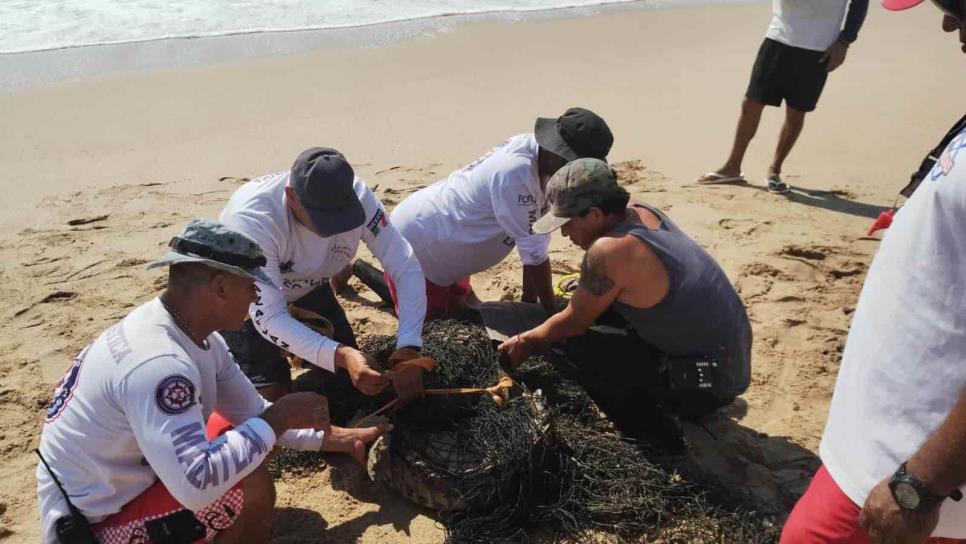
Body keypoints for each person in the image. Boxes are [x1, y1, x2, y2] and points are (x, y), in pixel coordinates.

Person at [36, 219, 387, 544]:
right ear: (220, 286)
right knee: (244, 479)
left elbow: (250, 411)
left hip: (124, 481)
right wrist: (279, 417)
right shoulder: (161, 365)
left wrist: (344, 440)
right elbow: (197, 485)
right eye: (251, 286)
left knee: (233, 431)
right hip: (90, 526)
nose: (255, 298)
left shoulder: (190, 333)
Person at [780, 2, 966, 542]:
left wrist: (920, 486)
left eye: (956, 4)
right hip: (887, 449)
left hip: (915, 474)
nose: (949, 23)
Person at [499, 158, 752, 452]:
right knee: (597, 312)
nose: (565, 234)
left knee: (576, 348)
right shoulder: (641, 213)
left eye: (567, 223)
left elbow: (573, 322)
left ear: (594, 214)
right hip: (730, 363)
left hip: (707, 386)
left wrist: (528, 339)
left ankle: (653, 436)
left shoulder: (609, 251)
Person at [219, 147, 428, 402]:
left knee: (348, 387)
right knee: (269, 405)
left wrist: (408, 347)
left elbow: (404, 264)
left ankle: (305, 358)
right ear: (291, 196)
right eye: (324, 220)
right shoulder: (253, 219)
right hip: (244, 300)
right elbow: (269, 314)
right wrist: (342, 354)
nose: (333, 229)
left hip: (310, 284)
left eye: (342, 218)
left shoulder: (359, 196)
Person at [386, 107, 614, 320]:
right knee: (432, 324)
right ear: (558, 153)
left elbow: (534, 234)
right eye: (575, 164)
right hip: (425, 246)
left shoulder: (542, 159)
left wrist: (529, 303)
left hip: (453, 241)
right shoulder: (516, 173)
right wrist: (550, 316)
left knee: (460, 309)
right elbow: (533, 253)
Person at [697, 0, 869, 193]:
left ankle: (775, 170)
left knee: (796, 112)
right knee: (752, 102)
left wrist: (845, 41)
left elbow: (860, 3)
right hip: (779, 36)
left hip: (820, 46)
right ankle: (732, 166)